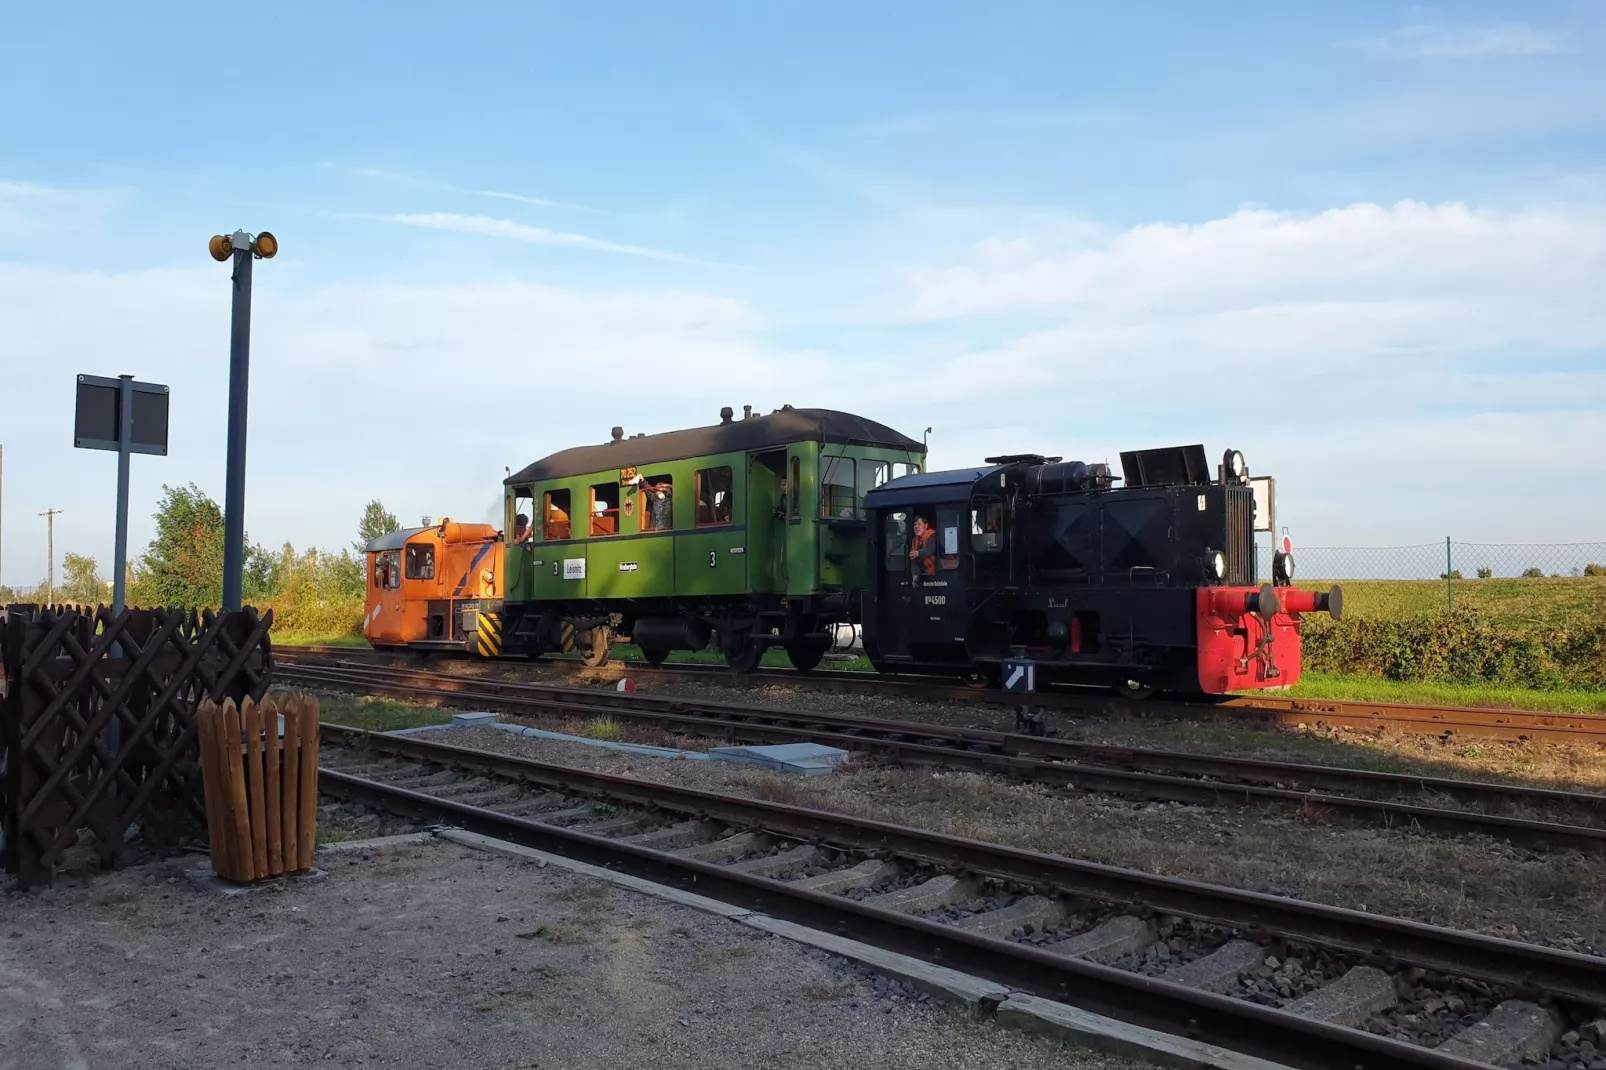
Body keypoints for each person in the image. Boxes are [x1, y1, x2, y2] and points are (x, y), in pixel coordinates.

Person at [908, 515, 937, 580]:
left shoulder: (932, 535)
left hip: (936, 573)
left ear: (926, 526)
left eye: (919, 524)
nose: (916, 526)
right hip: (923, 572)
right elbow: (914, 558)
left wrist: (917, 553)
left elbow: (930, 550)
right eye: (915, 524)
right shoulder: (914, 540)